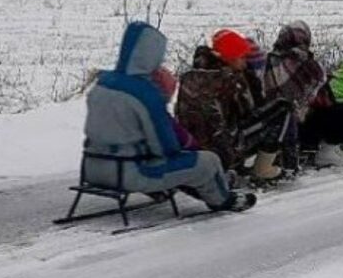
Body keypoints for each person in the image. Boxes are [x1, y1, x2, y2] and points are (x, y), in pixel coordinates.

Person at [82, 21, 255, 212]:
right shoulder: (145, 93)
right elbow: (165, 146)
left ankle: (164, 188)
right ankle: (223, 200)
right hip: (128, 173)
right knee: (207, 161)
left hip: (92, 169)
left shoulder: (103, 83)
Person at [175, 29, 293, 183]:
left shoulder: (191, 77)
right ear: (230, 57)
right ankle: (264, 169)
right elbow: (247, 114)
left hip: (193, 150)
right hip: (224, 152)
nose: (245, 63)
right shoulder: (229, 80)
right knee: (282, 108)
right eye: (242, 57)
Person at [260, 21, 327, 171]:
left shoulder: (268, 60)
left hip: (267, 119)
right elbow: (318, 86)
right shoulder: (307, 64)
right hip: (296, 120)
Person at [301, 57, 343, 167]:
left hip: (302, 124)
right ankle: (328, 150)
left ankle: (309, 146)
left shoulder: (331, 80)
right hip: (315, 124)